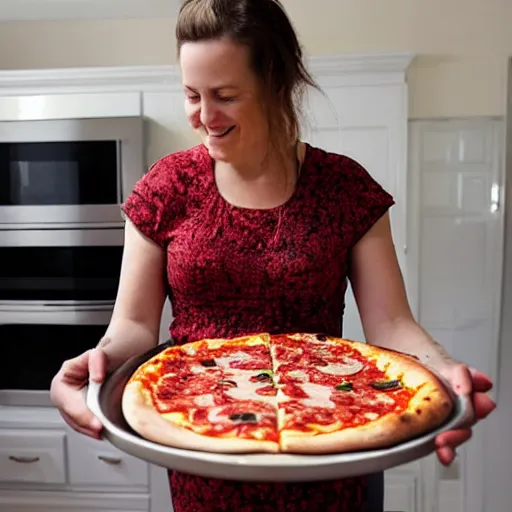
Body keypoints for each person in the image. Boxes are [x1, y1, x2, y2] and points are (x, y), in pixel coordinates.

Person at [50, 0, 496, 510]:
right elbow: (131, 327)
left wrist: (443, 371)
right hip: (203, 443)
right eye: (192, 95)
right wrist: (99, 365)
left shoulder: (346, 188)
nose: (204, 116)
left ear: (276, 85)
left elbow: (392, 325)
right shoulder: (165, 187)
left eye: (225, 96)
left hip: (332, 446)